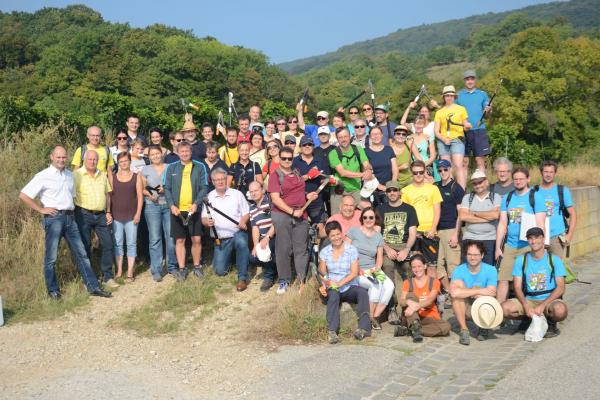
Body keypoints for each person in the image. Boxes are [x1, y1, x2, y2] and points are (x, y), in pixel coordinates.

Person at [19, 146, 112, 299]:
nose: (61, 160)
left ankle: (93, 287)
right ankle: (53, 291)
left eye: (63, 157)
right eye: (58, 157)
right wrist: (41, 209)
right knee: (51, 257)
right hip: (54, 219)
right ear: (52, 157)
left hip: (70, 218)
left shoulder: (70, 175)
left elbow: (73, 197)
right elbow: (24, 195)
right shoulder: (43, 175)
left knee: (81, 253)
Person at [501, 227, 568, 338]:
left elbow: (561, 288)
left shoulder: (554, 260)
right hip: (529, 299)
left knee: (560, 311)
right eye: (530, 238)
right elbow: (517, 287)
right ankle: (528, 318)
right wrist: (526, 305)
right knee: (504, 308)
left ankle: (551, 323)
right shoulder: (521, 260)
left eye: (537, 238)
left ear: (543, 239)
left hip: (549, 299)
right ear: (527, 241)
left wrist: (542, 305)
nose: (534, 241)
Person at [268, 147, 318, 294]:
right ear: (279, 159)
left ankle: (302, 279)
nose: (287, 161)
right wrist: (291, 212)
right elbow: (275, 199)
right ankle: (284, 280)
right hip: (283, 215)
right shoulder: (275, 175)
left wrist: (308, 196)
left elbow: (299, 191)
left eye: (290, 158)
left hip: (301, 213)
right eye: (284, 158)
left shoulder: (296, 172)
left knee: (301, 249)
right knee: (283, 249)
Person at [496, 167, 546, 303]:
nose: (518, 182)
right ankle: (499, 315)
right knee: (502, 279)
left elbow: (541, 225)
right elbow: (502, 223)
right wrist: (498, 247)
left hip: (529, 246)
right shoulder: (508, 198)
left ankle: (530, 312)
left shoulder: (536, 197)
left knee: (528, 280)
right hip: (511, 246)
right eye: (515, 179)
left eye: (521, 179)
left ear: (528, 179)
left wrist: (539, 247)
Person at [319, 221, 372, 343]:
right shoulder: (325, 252)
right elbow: (323, 273)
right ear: (329, 237)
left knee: (362, 293)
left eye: (338, 234)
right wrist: (325, 284)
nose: (336, 237)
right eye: (333, 235)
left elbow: (354, 272)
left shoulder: (351, 249)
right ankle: (332, 331)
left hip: (348, 285)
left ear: (342, 233)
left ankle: (363, 328)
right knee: (333, 295)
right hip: (333, 286)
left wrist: (340, 283)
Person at [164, 141, 209, 282]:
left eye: (187, 151)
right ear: (177, 152)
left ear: (191, 152)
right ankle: (182, 269)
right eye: (182, 151)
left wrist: (196, 204)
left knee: (196, 239)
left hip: (193, 209)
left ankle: (197, 267)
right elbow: (167, 188)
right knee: (180, 240)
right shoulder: (171, 168)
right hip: (177, 210)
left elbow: (204, 187)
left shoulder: (199, 166)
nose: (184, 154)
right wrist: (171, 205)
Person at [376, 181, 419, 323]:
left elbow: (413, 234)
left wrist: (406, 250)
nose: (392, 193)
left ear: (400, 192)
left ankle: (409, 306)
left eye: (395, 190)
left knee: (410, 270)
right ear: (386, 193)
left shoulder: (409, 209)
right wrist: (387, 248)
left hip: (404, 246)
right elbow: (377, 234)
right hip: (386, 246)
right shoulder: (380, 209)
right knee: (387, 268)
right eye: (389, 191)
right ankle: (391, 307)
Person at [73, 150, 117, 289]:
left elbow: (107, 195)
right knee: (85, 247)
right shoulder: (76, 175)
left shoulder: (102, 175)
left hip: (101, 215)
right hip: (83, 214)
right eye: (90, 159)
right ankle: (89, 279)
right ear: (84, 160)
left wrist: (108, 211)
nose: (92, 162)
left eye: (95, 159)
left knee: (108, 244)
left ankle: (107, 277)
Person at [202, 168, 251, 291]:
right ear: (213, 182)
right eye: (217, 180)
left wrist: (243, 221)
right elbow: (203, 218)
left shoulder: (237, 194)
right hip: (221, 239)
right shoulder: (209, 197)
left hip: (237, 233)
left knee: (241, 242)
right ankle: (232, 260)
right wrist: (207, 222)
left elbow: (247, 213)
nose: (220, 182)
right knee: (220, 271)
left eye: (222, 179)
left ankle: (242, 277)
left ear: (226, 179)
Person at [347, 207, 394, 330]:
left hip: (372, 269)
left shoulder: (378, 236)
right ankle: (368, 317)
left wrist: (377, 269)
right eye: (365, 217)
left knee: (390, 286)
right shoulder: (354, 231)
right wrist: (356, 269)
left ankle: (375, 316)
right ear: (362, 219)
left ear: (375, 219)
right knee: (375, 286)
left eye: (371, 217)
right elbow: (345, 252)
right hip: (356, 270)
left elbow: (379, 257)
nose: (368, 220)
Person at [141, 145, 178, 282]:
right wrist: (150, 194)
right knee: (155, 238)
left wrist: (166, 189)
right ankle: (156, 269)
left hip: (168, 206)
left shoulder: (171, 167)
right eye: (153, 154)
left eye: (158, 153)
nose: (156, 156)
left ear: (162, 154)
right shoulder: (145, 170)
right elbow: (142, 189)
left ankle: (172, 266)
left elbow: (176, 185)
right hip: (152, 206)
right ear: (149, 157)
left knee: (170, 237)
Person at [450, 240, 498, 345]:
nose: (472, 258)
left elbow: (493, 292)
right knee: (456, 297)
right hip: (466, 305)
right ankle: (464, 330)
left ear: (482, 255)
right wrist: (476, 291)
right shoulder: (459, 270)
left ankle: (483, 326)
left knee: (484, 297)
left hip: (482, 305)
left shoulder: (491, 269)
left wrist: (467, 292)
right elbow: (453, 292)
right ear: (466, 255)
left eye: (476, 255)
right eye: (469, 254)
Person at [396, 255, 451, 342]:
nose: (417, 269)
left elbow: (430, 300)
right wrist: (408, 302)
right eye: (414, 267)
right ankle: (414, 325)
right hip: (413, 316)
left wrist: (415, 306)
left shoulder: (434, 282)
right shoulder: (408, 282)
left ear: (425, 266)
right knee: (411, 296)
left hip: (429, 317)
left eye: (419, 266)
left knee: (446, 327)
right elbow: (402, 301)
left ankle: (413, 330)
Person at [401, 160, 443, 266]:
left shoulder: (433, 189)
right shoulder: (405, 191)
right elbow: (405, 214)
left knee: (431, 266)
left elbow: (437, 210)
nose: (418, 175)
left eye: (421, 172)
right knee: (416, 265)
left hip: (429, 232)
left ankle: (431, 283)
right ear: (411, 173)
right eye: (415, 173)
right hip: (414, 232)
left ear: (425, 172)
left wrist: (433, 229)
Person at [434, 160, 464, 302]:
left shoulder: (457, 188)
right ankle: (448, 290)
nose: (442, 173)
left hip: (451, 228)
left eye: (445, 170)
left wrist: (456, 234)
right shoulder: (436, 186)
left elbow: (461, 214)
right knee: (438, 265)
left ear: (450, 170)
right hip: (437, 230)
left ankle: (456, 294)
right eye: (439, 170)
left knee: (453, 265)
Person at [111, 152, 143, 282]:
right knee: (118, 244)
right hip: (116, 216)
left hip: (131, 216)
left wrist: (138, 213)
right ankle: (119, 270)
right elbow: (109, 196)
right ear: (118, 163)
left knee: (131, 243)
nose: (124, 163)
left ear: (130, 162)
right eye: (121, 161)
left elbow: (140, 196)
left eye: (126, 161)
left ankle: (130, 271)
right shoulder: (112, 177)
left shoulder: (136, 177)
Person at [534, 160, 577, 259]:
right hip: (537, 237)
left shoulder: (562, 190)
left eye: (551, 172)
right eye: (546, 172)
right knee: (540, 270)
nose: (548, 175)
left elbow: (573, 214)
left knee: (557, 269)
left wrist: (569, 235)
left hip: (556, 237)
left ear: (555, 173)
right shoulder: (533, 190)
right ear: (541, 173)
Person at [459, 170, 501, 265]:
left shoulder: (495, 197)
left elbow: (495, 215)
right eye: (475, 183)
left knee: (487, 269)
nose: (478, 185)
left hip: (490, 239)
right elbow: (462, 216)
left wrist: (474, 213)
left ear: (486, 182)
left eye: (480, 182)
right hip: (470, 237)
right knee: (467, 269)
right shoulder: (467, 197)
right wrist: (487, 217)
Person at [328, 127, 373, 212]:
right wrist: (363, 174)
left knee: (367, 208)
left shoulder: (358, 149)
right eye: (340, 137)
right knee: (336, 215)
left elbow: (366, 164)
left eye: (345, 136)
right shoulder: (333, 153)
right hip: (339, 189)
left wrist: (368, 170)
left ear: (350, 137)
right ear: (337, 139)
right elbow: (343, 173)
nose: (343, 139)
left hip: (355, 188)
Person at [434, 85, 470, 189]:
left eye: (451, 95)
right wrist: (444, 139)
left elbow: (465, 125)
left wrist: (467, 126)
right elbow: (436, 131)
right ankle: (448, 190)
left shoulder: (461, 109)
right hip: (442, 141)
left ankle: (462, 191)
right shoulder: (439, 112)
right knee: (445, 167)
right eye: (447, 96)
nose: (449, 97)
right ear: (444, 97)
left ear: (454, 96)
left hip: (457, 140)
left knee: (458, 165)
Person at [456, 70, 492, 172]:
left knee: (479, 160)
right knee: (464, 161)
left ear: (475, 80)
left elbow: (487, 116)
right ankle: (462, 187)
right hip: (462, 131)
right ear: (464, 81)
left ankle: (482, 186)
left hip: (479, 130)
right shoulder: (458, 96)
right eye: (467, 79)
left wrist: (488, 111)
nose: (470, 81)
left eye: (472, 79)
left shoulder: (482, 94)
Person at [292, 136, 330, 223]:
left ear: (313, 146)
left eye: (310, 144)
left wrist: (328, 181)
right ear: (300, 147)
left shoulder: (320, 161)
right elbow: (292, 182)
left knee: (319, 227)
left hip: (317, 200)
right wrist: (308, 176)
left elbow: (325, 179)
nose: (307, 146)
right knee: (301, 228)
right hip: (299, 201)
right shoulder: (294, 162)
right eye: (304, 145)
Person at [248, 181, 277, 292]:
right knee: (252, 257)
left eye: (256, 190)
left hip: (274, 235)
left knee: (266, 248)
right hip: (262, 237)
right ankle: (272, 267)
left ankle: (269, 277)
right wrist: (255, 245)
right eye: (251, 192)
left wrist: (267, 238)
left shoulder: (270, 201)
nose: (254, 193)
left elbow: (276, 222)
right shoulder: (252, 208)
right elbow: (255, 227)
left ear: (262, 190)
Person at [364, 126, 398, 206]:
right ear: (370, 137)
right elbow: (367, 172)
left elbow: (395, 169)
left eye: (378, 134)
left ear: (382, 135)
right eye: (373, 134)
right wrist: (380, 186)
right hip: (373, 188)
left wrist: (392, 185)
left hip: (389, 187)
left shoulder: (389, 149)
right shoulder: (365, 151)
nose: (376, 136)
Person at [410, 116, 439, 182]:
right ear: (414, 125)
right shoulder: (409, 138)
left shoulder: (429, 138)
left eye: (421, 124)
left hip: (427, 166)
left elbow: (433, 156)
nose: (418, 126)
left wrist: (424, 165)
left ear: (424, 125)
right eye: (417, 124)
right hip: (413, 167)